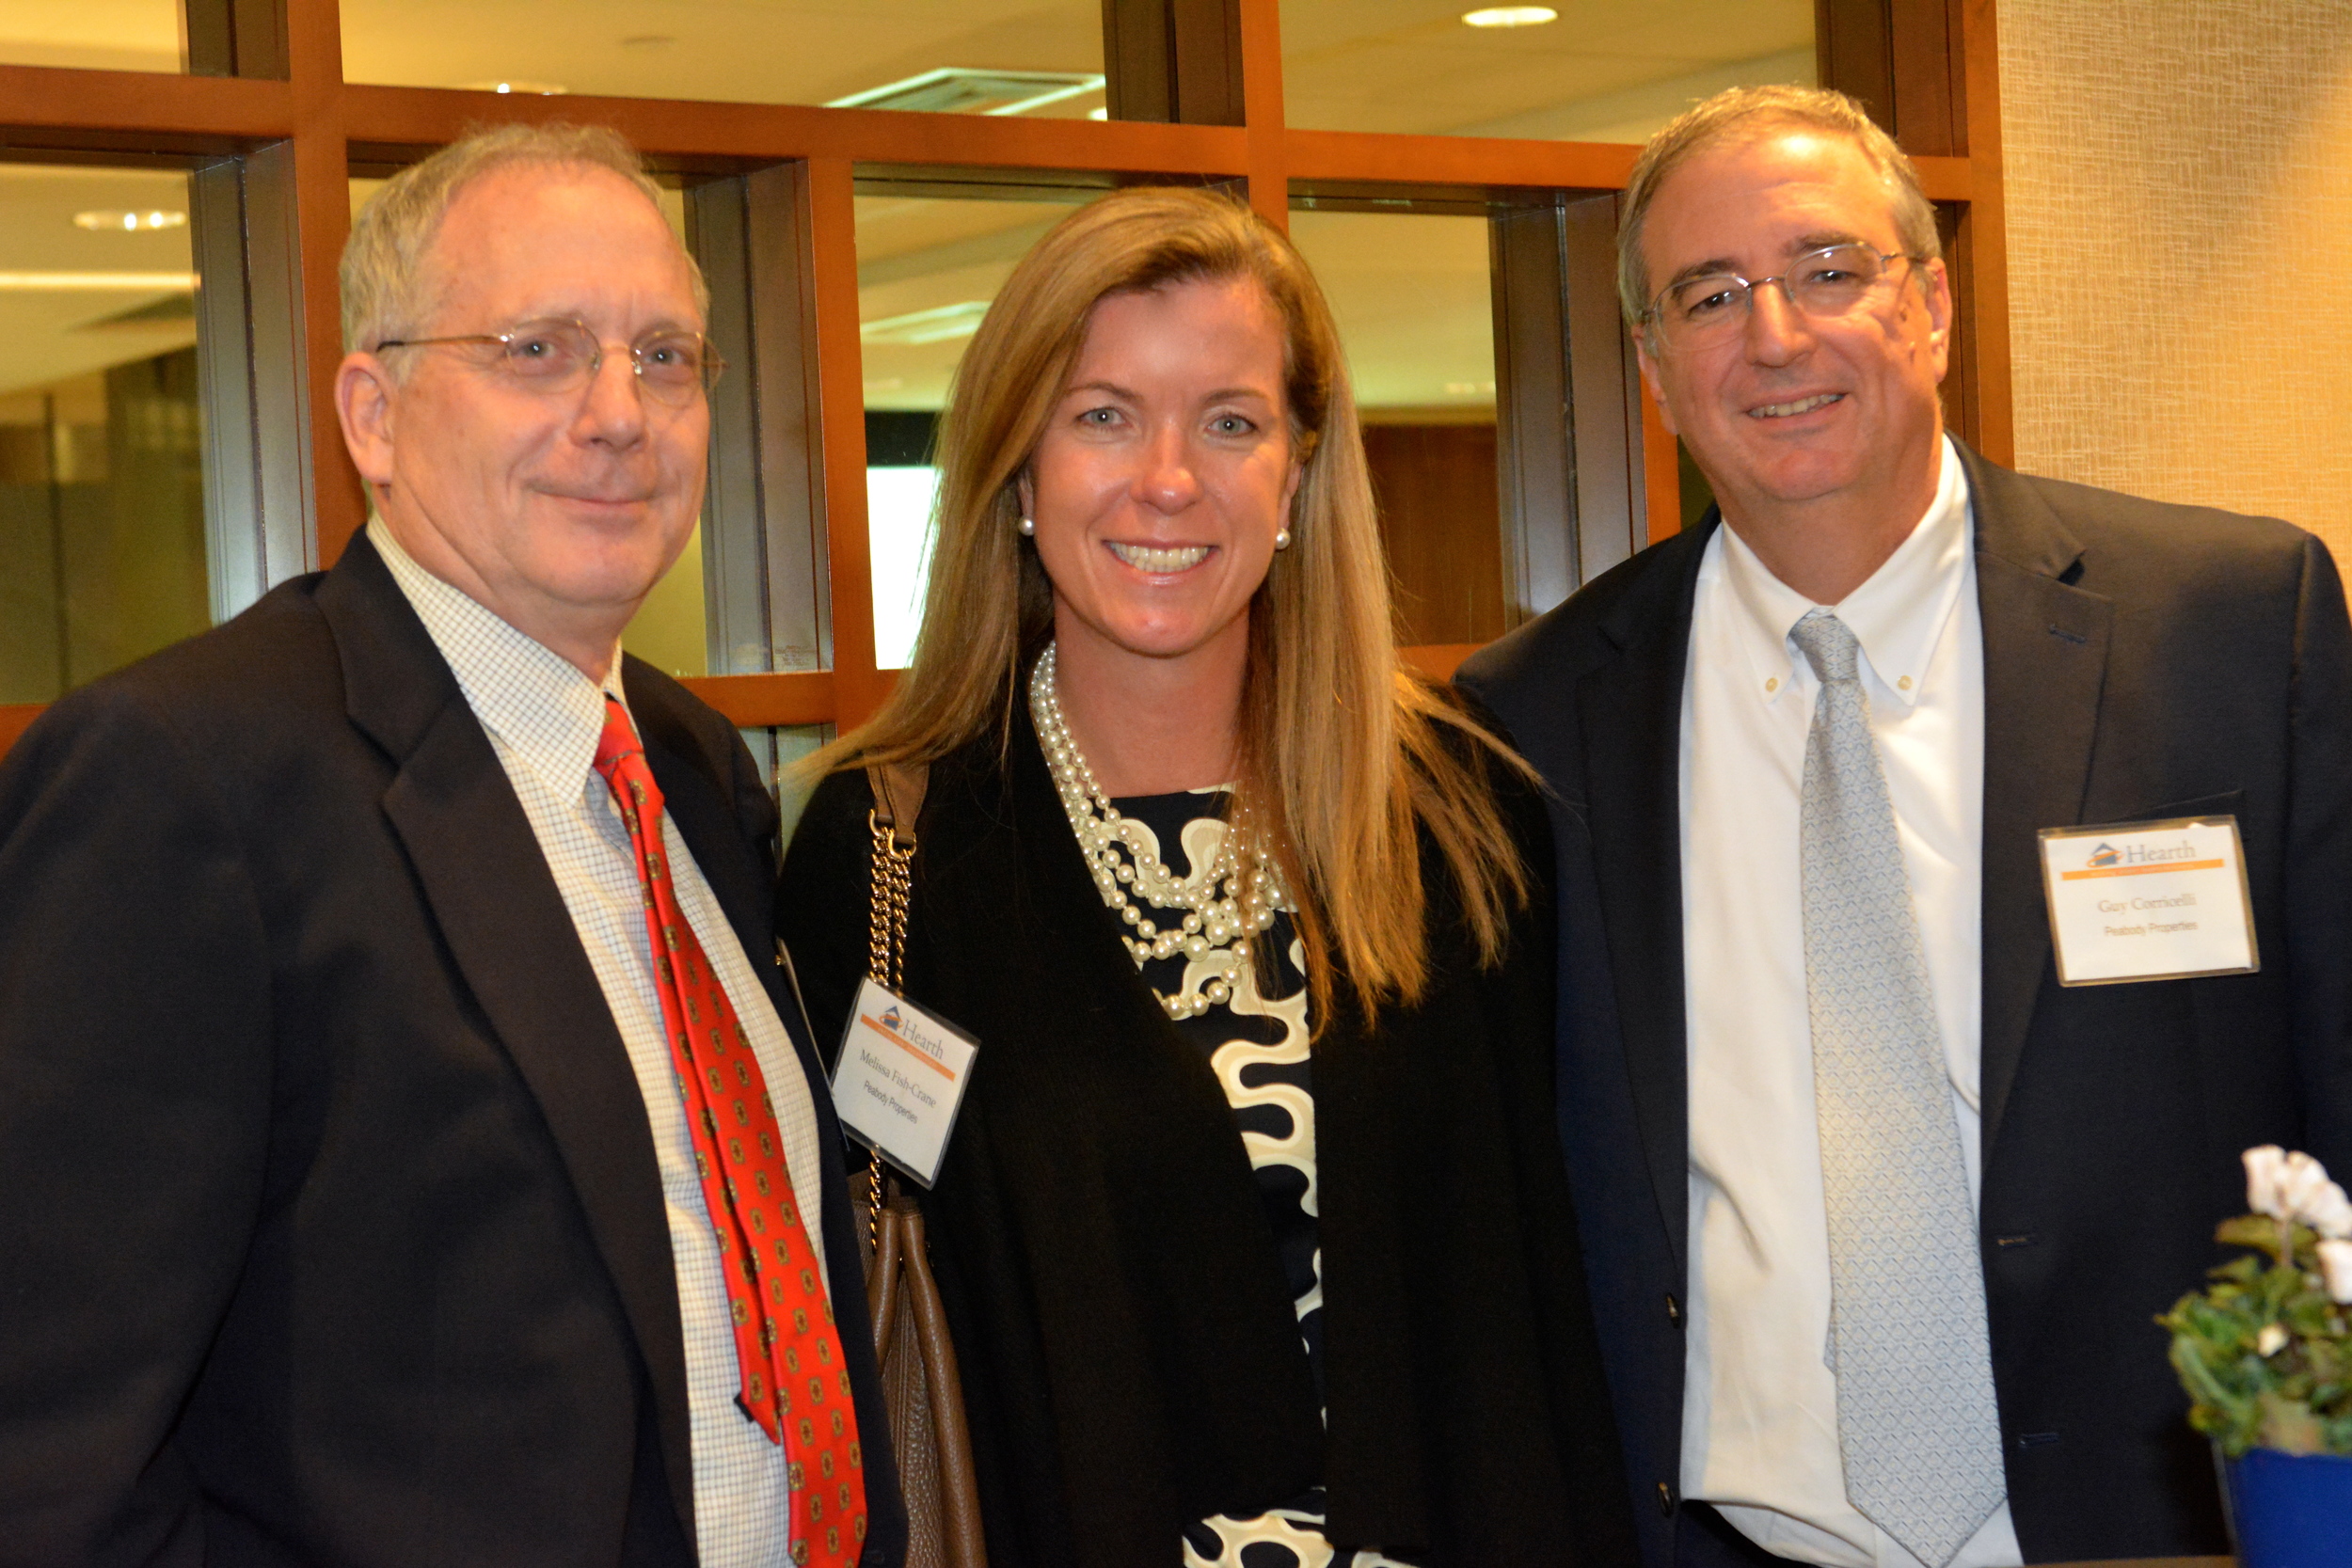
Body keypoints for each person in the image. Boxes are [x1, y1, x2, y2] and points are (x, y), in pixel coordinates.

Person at [1458, 84, 2352, 1568]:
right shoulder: (1535, 718)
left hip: (2177, 1529)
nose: (1776, 336)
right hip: (1730, 1539)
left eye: (1829, 271)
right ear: (1656, 368)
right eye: (1710, 295)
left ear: (1930, 304)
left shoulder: (2230, 627)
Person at [0, 124, 903, 1568]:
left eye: (664, 357)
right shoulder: (183, 784)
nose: (618, 412)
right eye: (538, 349)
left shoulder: (694, 767)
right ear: (374, 411)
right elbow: (43, 1458)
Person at [775, 186, 1637, 1568]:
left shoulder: (1461, 815)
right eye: (1104, 414)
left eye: (1229, 422)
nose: (1167, 478)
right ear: (1018, 467)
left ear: (1296, 472)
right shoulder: (884, 854)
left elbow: (1543, 1296)